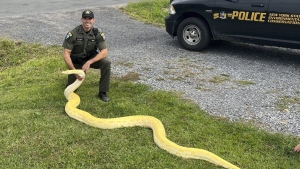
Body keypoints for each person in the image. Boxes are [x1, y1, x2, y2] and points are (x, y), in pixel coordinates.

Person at [62, 9, 111, 102]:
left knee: (106, 63)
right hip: (76, 61)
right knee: (71, 90)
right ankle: (72, 80)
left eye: (90, 18)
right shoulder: (73, 33)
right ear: (81, 20)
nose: (87, 20)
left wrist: (89, 62)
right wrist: (74, 71)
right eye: (85, 18)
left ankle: (103, 92)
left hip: (90, 58)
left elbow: (104, 52)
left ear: (93, 20)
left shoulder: (98, 33)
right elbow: (66, 54)